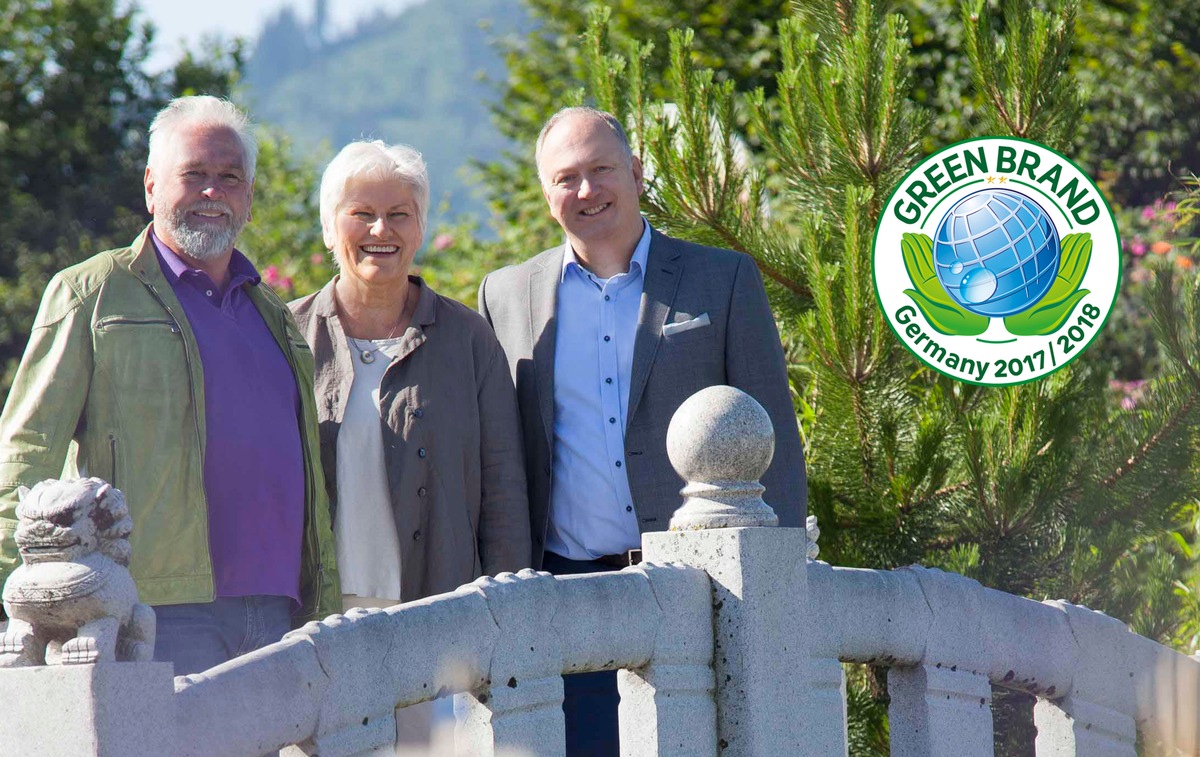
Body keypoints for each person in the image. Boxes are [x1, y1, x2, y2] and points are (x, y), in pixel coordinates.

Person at [478, 106, 807, 755]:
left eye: (600, 170)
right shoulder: (506, 295)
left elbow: (776, 444)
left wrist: (781, 587)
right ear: (547, 195)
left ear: (634, 170)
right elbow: (499, 459)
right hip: (567, 598)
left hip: (701, 591)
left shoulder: (723, 279)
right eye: (565, 178)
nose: (586, 190)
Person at [0, 96, 339, 676]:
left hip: (280, 613)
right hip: (149, 610)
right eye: (195, 175)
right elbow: (24, 450)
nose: (213, 191)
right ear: (152, 186)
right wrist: (23, 607)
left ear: (250, 199)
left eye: (229, 177)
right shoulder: (91, 294)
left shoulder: (276, 316)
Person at [289, 140, 530, 746]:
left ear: (420, 228)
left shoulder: (469, 340)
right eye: (361, 213)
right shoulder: (284, 334)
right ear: (328, 228)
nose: (380, 229)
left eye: (400, 213)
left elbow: (503, 486)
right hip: (312, 618)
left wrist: (510, 613)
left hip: (434, 615)